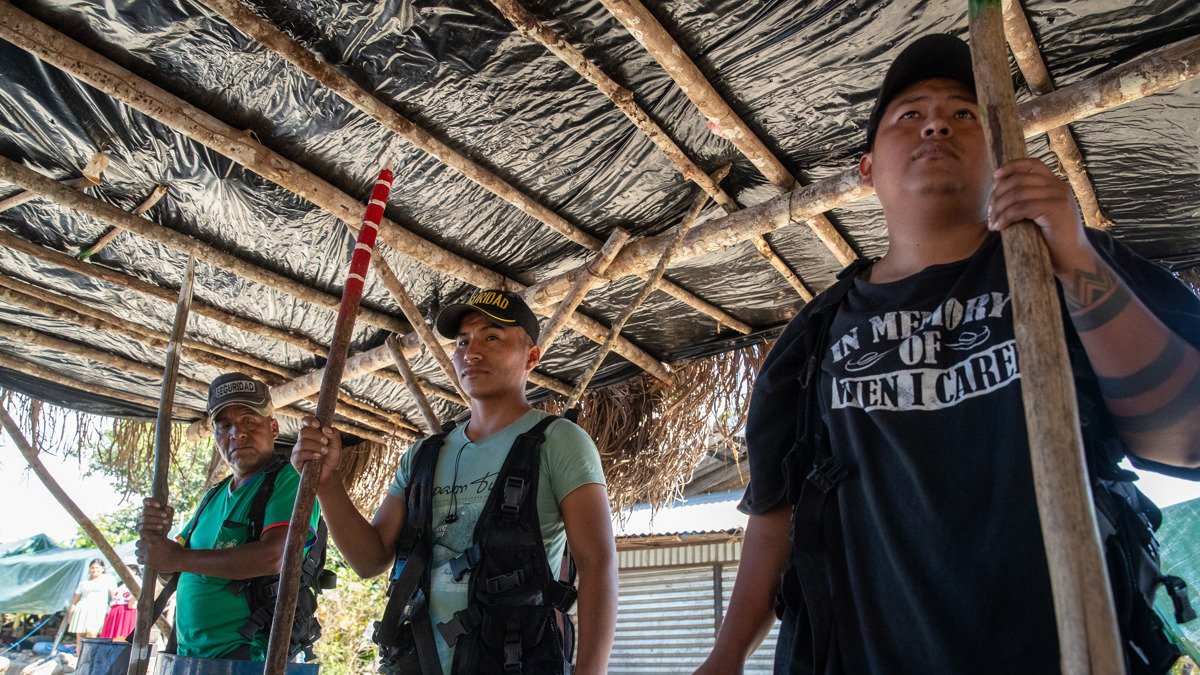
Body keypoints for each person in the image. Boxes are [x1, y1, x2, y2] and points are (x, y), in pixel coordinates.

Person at [698, 34, 1200, 674]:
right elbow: (778, 510)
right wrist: (726, 656)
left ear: (1002, 155)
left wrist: (1074, 257)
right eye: (910, 114)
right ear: (867, 170)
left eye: (965, 114)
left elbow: (1185, 441)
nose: (937, 124)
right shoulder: (815, 336)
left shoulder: (1070, 262)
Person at [292, 289, 618, 674]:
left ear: (531, 357)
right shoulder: (423, 455)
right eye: (463, 341)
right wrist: (328, 483)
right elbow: (370, 560)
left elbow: (597, 564)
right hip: (420, 660)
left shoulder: (558, 441)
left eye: (492, 337)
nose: (472, 352)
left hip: (513, 661)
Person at [136, 372, 322, 660]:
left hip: (249, 658)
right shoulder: (214, 495)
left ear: (273, 428)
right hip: (188, 656)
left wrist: (177, 558)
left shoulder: (290, 479)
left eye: (249, 420)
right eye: (224, 425)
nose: (237, 433)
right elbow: (171, 571)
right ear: (215, 438)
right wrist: (158, 546)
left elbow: (277, 556)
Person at [67, 558, 116, 653]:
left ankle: (91, 655)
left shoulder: (108, 579)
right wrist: (70, 614)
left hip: (98, 609)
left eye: (97, 567)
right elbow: (75, 600)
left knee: (92, 633)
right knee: (80, 635)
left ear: (102, 568)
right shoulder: (84, 582)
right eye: (92, 568)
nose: (94, 570)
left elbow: (114, 595)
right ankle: (79, 655)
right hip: (82, 609)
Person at [98, 564, 139, 641]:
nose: (124, 572)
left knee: (122, 635)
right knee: (112, 636)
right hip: (116, 609)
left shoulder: (136, 580)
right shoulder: (122, 582)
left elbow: (140, 591)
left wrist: (132, 601)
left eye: (127, 570)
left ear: (134, 571)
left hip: (126, 610)